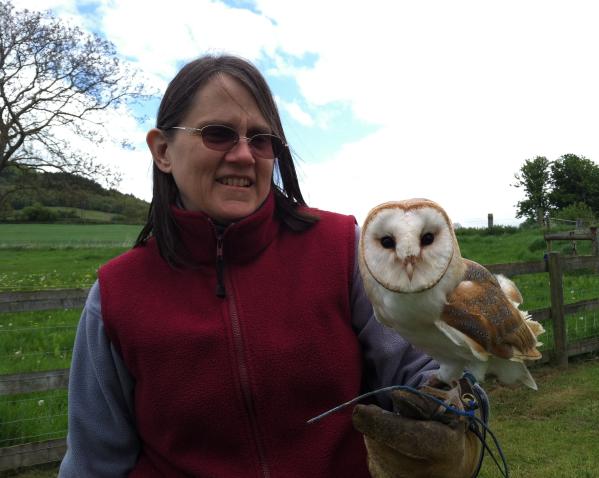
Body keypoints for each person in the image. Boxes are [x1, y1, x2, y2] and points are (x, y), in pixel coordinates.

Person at [59, 54, 486, 478]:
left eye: (261, 139)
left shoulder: (343, 249)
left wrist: (455, 413)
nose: (244, 155)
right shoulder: (116, 296)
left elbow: (426, 368)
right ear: (163, 150)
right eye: (219, 134)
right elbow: (94, 464)